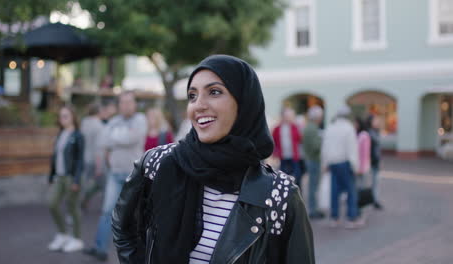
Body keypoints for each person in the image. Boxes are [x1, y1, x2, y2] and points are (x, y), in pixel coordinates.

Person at [111, 55, 315, 264]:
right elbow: (123, 226)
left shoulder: (278, 194)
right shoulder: (158, 163)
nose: (198, 105)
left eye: (214, 92)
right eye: (192, 96)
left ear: (244, 102)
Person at [84, 91, 147, 261]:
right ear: (119, 105)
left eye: (129, 102)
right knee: (107, 212)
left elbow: (132, 138)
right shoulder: (114, 121)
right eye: (122, 102)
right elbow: (104, 142)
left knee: (138, 215)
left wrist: (115, 137)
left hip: (134, 176)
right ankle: (100, 248)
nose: (125, 105)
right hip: (114, 174)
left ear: (134, 104)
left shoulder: (140, 120)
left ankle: (142, 253)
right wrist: (121, 136)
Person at [48, 105, 85, 252]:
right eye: (61, 116)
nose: (62, 119)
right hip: (59, 177)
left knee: (73, 207)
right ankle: (63, 233)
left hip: (71, 177)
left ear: (73, 117)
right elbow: (55, 157)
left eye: (66, 116)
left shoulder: (78, 136)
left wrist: (76, 180)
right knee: (52, 203)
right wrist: (51, 175)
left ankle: (76, 238)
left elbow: (80, 160)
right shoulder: (60, 134)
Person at [321, 105, 362, 229]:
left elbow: (325, 147)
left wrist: (325, 163)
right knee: (350, 191)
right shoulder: (349, 128)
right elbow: (352, 149)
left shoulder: (330, 127)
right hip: (345, 163)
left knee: (334, 191)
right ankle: (351, 218)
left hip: (332, 163)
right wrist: (355, 166)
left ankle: (335, 218)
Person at [80, 103, 105, 210]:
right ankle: (108, 209)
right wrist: (99, 166)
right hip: (95, 160)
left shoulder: (84, 123)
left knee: (86, 183)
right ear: (99, 112)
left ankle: (83, 200)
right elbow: (98, 147)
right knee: (103, 184)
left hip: (84, 158)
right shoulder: (99, 125)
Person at [302, 105, 325, 219]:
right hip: (314, 160)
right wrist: (323, 140)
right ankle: (313, 210)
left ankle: (313, 208)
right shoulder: (313, 128)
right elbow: (316, 146)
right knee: (313, 186)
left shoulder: (308, 127)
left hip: (310, 159)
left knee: (312, 186)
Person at [272, 106, 304, 187]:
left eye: (290, 116)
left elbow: (300, 139)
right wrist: (275, 153)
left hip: (294, 157)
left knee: (297, 177)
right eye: (286, 116)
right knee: (283, 178)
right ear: (283, 116)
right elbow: (274, 141)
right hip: (283, 157)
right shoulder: (277, 128)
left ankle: (297, 195)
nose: (288, 118)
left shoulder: (295, 127)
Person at [367, 115, 383, 209]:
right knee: (372, 182)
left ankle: (374, 200)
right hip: (371, 161)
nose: (377, 122)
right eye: (375, 120)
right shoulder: (370, 133)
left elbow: (378, 150)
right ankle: (372, 200)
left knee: (375, 182)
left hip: (375, 161)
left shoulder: (375, 132)